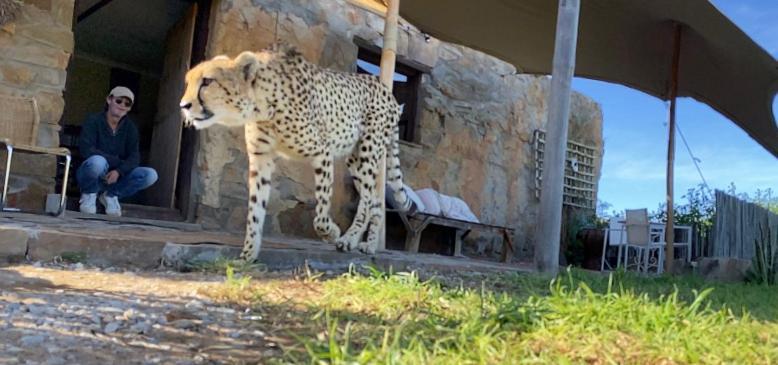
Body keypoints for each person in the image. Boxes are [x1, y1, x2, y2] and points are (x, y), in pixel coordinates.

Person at [77, 86, 158, 216]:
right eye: (119, 101)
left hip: (116, 179)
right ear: (109, 100)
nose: (122, 106)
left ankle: (110, 195)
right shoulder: (93, 121)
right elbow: (86, 149)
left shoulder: (131, 129)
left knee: (150, 175)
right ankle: (89, 193)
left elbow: (134, 157)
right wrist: (117, 163)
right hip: (94, 174)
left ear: (129, 108)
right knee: (98, 162)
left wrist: (119, 171)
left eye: (127, 104)